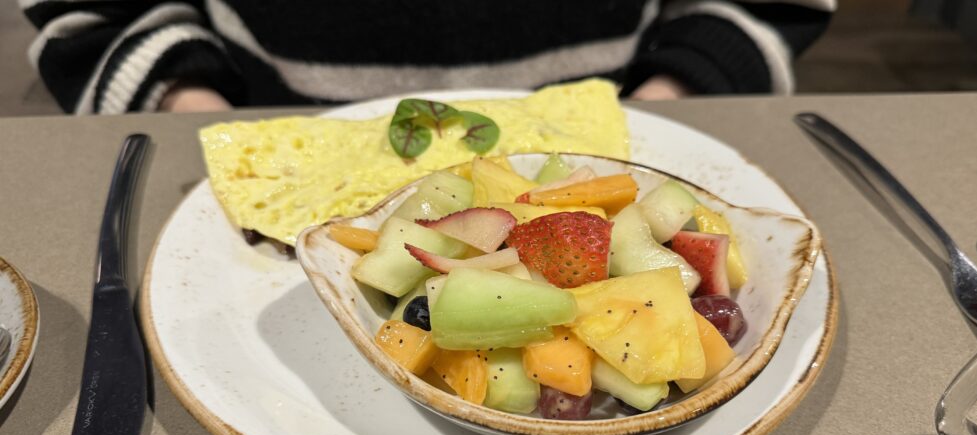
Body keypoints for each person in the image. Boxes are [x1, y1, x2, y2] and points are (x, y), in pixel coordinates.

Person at [22, 0, 834, 114]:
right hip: (252, 114)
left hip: (615, 125)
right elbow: (93, 10)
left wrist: (668, 97)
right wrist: (187, 108)